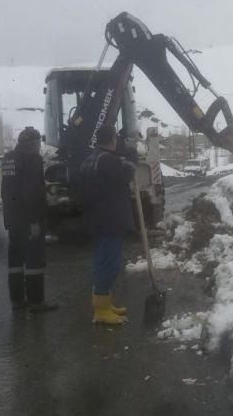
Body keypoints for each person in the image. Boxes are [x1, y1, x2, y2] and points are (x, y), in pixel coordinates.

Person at [80, 127, 138, 325]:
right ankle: (102, 311)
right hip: (109, 219)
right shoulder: (105, 160)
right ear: (113, 139)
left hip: (98, 218)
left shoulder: (91, 159)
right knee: (109, 265)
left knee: (101, 262)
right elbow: (124, 175)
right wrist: (131, 156)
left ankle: (104, 302)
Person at [1, 127, 58, 312]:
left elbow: (7, 190)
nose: (39, 146)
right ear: (34, 143)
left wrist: (8, 218)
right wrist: (34, 221)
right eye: (38, 143)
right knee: (34, 259)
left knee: (15, 260)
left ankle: (17, 300)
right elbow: (32, 191)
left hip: (13, 219)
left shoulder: (8, 158)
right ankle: (36, 301)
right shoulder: (32, 158)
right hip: (29, 219)